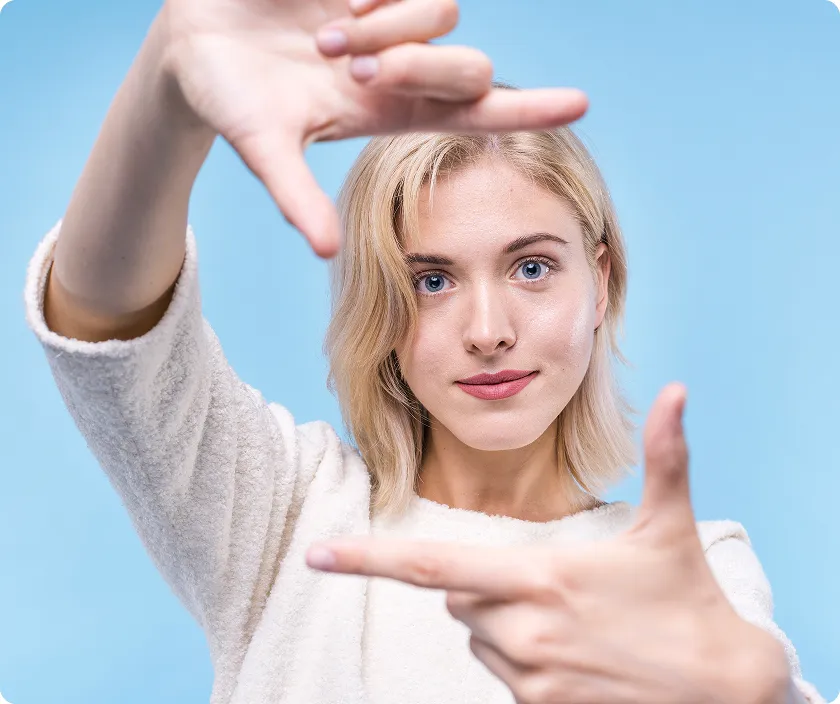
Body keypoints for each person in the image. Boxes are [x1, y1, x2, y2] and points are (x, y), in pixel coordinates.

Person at [22, 0, 828, 703]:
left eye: (532, 267)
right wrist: (168, 84)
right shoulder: (289, 513)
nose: (488, 329)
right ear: (383, 307)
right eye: (433, 280)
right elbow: (107, 323)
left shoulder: (689, 573)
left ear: (602, 280)